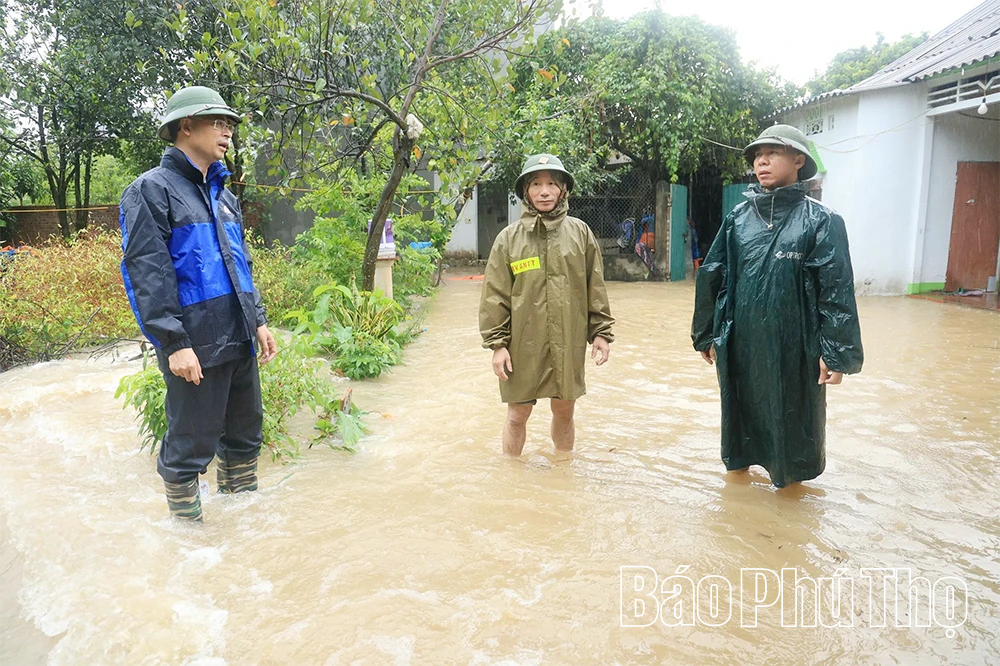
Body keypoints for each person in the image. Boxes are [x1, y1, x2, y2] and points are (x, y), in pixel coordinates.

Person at [120, 86, 277, 521]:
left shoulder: (224, 195)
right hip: (195, 342)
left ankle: (242, 534)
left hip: (238, 334)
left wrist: (258, 320)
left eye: (229, 125)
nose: (227, 132)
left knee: (246, 436)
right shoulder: (151, 190)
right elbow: (147, 273)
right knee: (190, 447)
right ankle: (189, 546)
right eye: (218, 123)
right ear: (186, 126)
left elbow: (239, 263)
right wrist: (173, 343)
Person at [691, 124, 863, 489]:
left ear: (799, 160)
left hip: (795, 349)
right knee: (738, 429)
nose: (761, 161)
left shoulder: (822, 220)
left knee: (793, 437)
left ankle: (789, 514)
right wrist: (706, 333)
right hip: (740, 343)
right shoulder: (738, 218)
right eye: (756, 155)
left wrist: (836, 354)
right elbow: (713, 274)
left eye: (772, 153)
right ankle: (738, 508)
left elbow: (835, 291)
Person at [479, 154, 614, 456]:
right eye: (536, 184)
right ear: (525, 191)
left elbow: (595, 287)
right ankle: (512, 478)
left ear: (563, 189)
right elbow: (494, 296)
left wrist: (602, 333)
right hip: (521, 344)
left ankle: (562, 471)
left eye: (552, 184)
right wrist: (497, 345)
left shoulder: (580, 234)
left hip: (567, 339)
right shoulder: (509, 240)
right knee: (517, 415)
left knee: (565, 411)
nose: (544, 191)